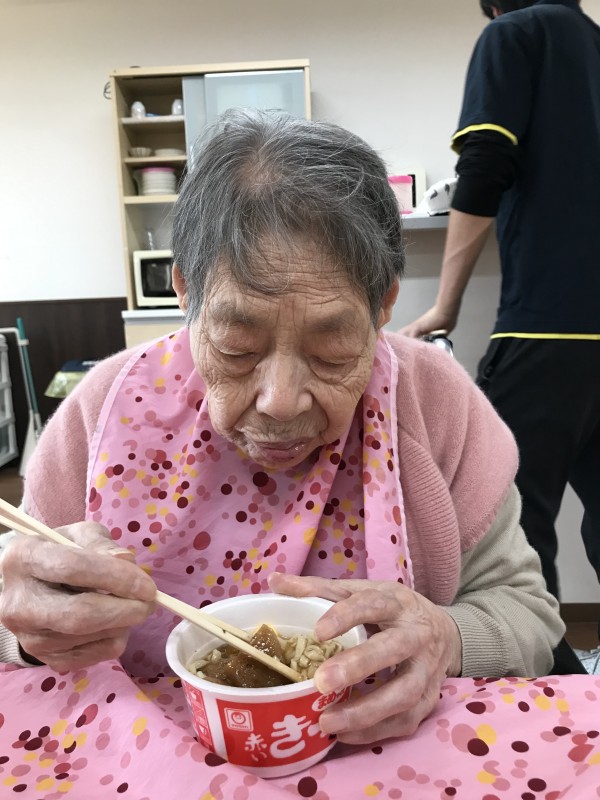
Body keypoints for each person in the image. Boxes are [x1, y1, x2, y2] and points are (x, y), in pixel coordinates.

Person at [0, 109, 564, 750]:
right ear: (185, 291)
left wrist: (447, 637)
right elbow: (17, 594)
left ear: (383, 305)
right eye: (238, 348)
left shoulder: (436, 406)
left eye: (331, 351)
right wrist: (23, 625)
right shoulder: (104, 412)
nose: (280, 402)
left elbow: (529, 614)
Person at [401, 0, 600, 617]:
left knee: (507, 520)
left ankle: (546, 671)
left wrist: (445, 306)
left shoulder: (513, 34)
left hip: (552, 329)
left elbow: (484, 165)